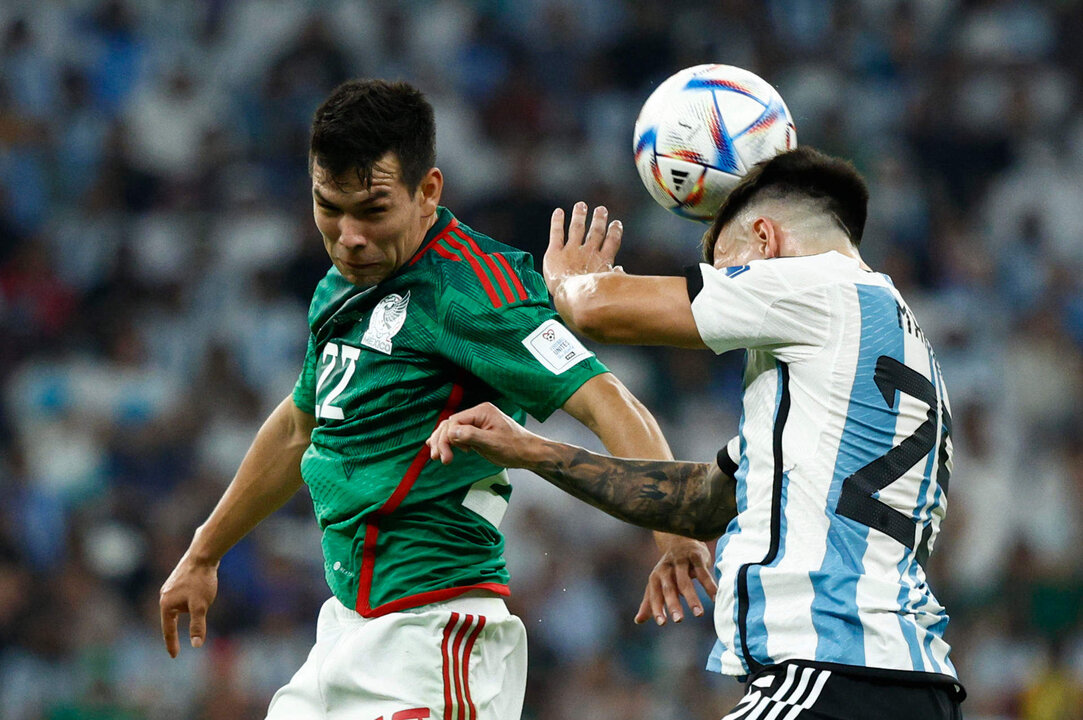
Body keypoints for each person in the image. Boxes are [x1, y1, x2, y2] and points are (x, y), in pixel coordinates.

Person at [158, 79, 674, 720]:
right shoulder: (339, 287)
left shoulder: (476, 289)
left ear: (428, 190)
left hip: (435, 636)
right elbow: (298, 426)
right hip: (344, 631)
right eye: (328, 208)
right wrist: (204, 550)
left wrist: (672, 530)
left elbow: (609, 402)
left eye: (372, 212)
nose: (348, 236)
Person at [427, 147, 965, 720]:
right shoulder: (888, 344)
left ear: (765, 239)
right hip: (906, 682)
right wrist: (532, 450)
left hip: (827, 675)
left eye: (727, 265)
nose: (725, 283)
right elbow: (699, 500)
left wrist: (564, 279)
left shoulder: (818, 285)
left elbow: (594, 308)